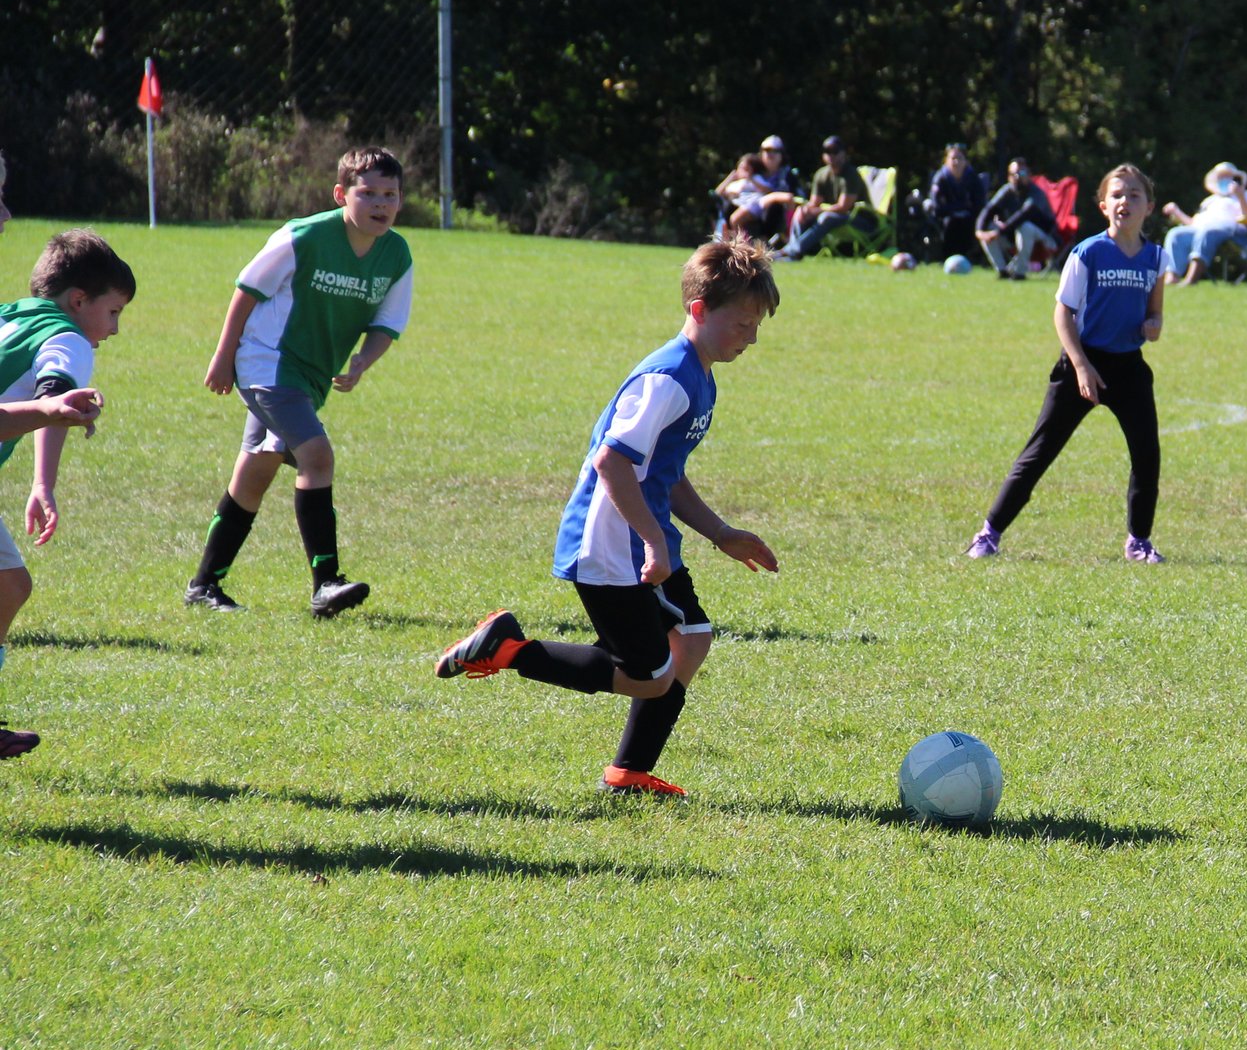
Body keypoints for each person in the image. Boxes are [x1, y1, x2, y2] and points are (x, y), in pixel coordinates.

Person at [434, 241, 782, 797]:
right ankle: (509, 650)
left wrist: (720, 533)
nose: (752, 336)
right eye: (742, 323)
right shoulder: (668, 378)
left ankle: (628, 772)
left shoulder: (700, 374)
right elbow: (613, 462)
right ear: (699, 311)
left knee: (689, 639)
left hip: (642, 535)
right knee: (648, 678)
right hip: (611, 544)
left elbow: (662, 472)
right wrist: (653, 543)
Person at [187, 146, 413, 617]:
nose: (380, 203)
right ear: (340, 195)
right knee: (317, 455)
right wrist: (223, 355)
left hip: (308, 377)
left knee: (256, 471)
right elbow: (247, 289)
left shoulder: (396, 254)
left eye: (389, 194)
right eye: (367, 192)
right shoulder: (303, 236)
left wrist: (360, 363)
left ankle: (204, 586)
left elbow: (387, 324)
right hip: (267, 363)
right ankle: (326, 582)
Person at [965, 165, 1171, 564]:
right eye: (1116, 195)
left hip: (1128, 368)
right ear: (1103, 206)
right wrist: (1080, 367)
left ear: (1150, 207)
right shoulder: (1088, 253)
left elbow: (1157, 313)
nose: (1124, 201)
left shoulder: (1156, 257)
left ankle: (1138, 542)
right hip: (1082, 362)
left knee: (1147, 456)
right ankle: (989, 534)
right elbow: (1063, 314)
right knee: (1039, 453)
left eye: (1134, 195)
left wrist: (1154, 325)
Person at [0, 230, 129, 760]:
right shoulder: (69, 338)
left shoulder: (11, 316)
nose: (115, 328)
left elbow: (47, 399)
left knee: (9, 585)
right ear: (79, 300)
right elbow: (54, 392)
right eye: (115, 311)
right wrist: (56, 406)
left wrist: (41, 483)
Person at [1161, 164, 1247, 286]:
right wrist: (1176, 212)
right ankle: (1172, 277)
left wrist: (1240, 197)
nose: (1224, 180)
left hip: (1234, 232)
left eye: (1228, 176)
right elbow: (1194, 224)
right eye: (1221, 177)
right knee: (1176, 234)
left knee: (1207, 232)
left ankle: (1191, 279)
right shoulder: (1210, 201)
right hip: (1203, 230)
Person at [781, 136, 879, 261]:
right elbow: (814, 203)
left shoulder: (851, 175)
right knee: (800, 211)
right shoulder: (821, 174)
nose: (831, 155)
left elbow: (844, 207)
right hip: (836, 216)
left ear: (843, 153)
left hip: (861, 220)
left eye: (835, 151)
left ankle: (790, 250)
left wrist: (818, 211)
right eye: (827, 152)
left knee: (826, 217)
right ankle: (795, 254)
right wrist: (806, 210)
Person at [976, 157, 1063, 280]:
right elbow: (989, 210)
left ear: (1029, 174)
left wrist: (999, 232)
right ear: (1009, 176)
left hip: (1045, 239)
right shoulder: (1007, 190)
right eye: (1013, 174)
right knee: (988, 227)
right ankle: (1002, 271)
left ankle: (1019, 273)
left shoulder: (1036, 193)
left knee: (1025, 227)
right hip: (1015, 237)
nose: (1017, 177)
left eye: (1021, 173)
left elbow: (1024, 214)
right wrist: (979, 231)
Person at [926, 144, 986, 261]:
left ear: (965, 161)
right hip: (947, 219)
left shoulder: (973, 178)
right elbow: (938, 207)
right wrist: (960, 207)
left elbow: (979, 204)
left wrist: (964, 210)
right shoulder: (940, 179)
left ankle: (968, 257)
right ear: (946, 161)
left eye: (959, 158)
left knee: (967, 223)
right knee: (951, 223)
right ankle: (948, 257)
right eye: (953, 159)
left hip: (969, 218)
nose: (956, 162)